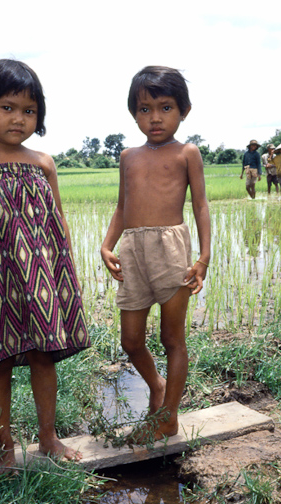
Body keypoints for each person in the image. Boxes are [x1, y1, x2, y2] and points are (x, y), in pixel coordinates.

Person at [0, 59, 90, 469]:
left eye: (29, 111)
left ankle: (49, 437)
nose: (18, 118)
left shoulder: (44, 163)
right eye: (7, 107)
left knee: (43, 356)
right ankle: (3, 447)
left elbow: (58, 223)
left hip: (42, 278)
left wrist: (66, 275)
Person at [100, 66, 211, 445]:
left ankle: (168, 417)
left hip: (171, 249)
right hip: (132, 249)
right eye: (145, 109)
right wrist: (106, 245)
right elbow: (121, 206)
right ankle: (157, 384)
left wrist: (204, 257)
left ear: (185, 111)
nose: (155, 118)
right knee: (130, 340)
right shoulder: (128, 156)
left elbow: (200, 206)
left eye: (165, 108)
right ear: (134, 113)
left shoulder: (187, 153)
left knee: (172, 338)